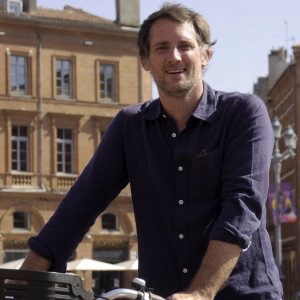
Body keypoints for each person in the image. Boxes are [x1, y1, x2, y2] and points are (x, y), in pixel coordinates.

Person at [20, 3, 283, 299]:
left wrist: (199, 293)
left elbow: (242, 205)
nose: (174, 57)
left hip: (245, 293)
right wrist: (25, 278)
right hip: (161, 295)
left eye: (185, 46)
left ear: (206, 55)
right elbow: (82, 203)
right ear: (145, 60)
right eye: (161, 48)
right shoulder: (129, 126)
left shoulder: (244, 113)